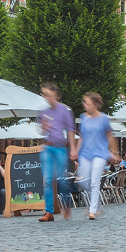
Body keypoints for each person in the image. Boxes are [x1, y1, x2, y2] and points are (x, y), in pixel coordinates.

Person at [36, 81, 76, 222]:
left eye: (48, 94)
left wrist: (73, 149)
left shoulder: (65, 111)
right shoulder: (44, 112)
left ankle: (66, 206)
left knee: (61, 179)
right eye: (44, 95)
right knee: (47, 180)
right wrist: (44, 128)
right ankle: (49, 212)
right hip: (47, 147)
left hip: (60, 148)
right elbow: (42, 130)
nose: (46, 97)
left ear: (55, 94)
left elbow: (71, 130)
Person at [75, 92, 118, 221]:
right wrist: (75, 151)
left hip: (100, 153)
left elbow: (110, 135)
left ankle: (92, 210)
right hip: (85, 153)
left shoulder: (103, 118)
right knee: (83, 182)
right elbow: (82, 136)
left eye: (87, 103)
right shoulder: (83, 117)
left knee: (94, 182)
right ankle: (97, 205)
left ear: (94, 104)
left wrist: (114, 152)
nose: (84, 105)